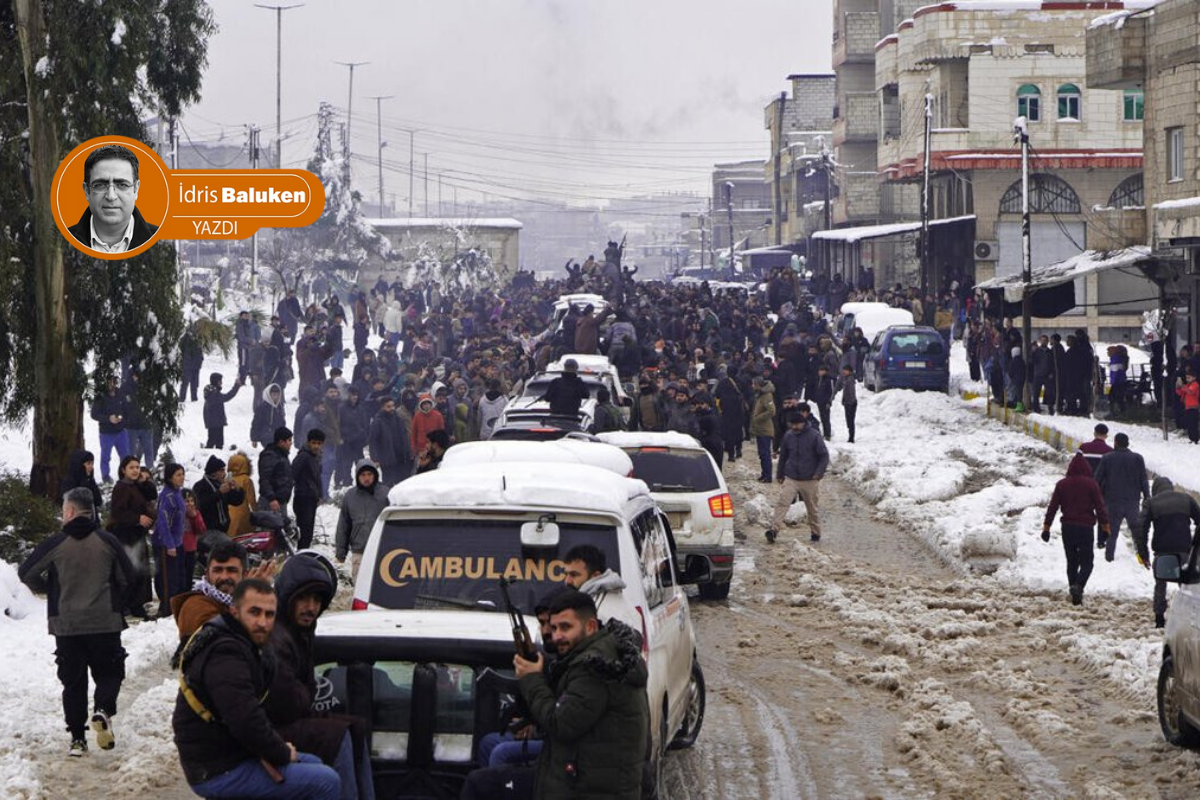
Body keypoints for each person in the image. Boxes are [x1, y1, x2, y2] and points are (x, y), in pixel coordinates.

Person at [172, 578, 340, 799]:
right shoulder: (226, 654)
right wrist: (280, 751)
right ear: (234, 612)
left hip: (229, 754)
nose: (262, 622)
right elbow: (245, 719)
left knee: (314, 763)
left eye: (269, 615)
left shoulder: (245, 645)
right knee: (326, 781)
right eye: (254, 612)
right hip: (215, 768)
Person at [19, 487, 136, 756]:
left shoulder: (55, 543)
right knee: (110, 673)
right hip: (104, 622)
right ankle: (103, 711)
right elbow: (128, 578)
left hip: (67, 624)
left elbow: (27, 573)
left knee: (73, 682)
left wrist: (53, 590)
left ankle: (77, 739)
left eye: (63, 511)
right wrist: (115, 600)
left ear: (70, 511)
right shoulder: (108, 541)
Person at [512, 590, 649, 800]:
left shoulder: (594, 668)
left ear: (591, 626)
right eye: (554, 627)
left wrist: (532, 679)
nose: (557, 636)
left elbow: (560, 723)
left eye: (566, 627)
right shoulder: (607, 655)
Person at [266, 554, 374, 800]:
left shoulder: (301, 631)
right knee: (338, 737)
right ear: (288, 598)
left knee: (354, 728)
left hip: (289, 720)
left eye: (316, 600)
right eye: (303, 598)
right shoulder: (278, 636)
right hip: (271, 729)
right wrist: (307, 693)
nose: (311, 607)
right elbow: (288, 702)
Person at [1042, 453, 1110, 606]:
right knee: (1087, 562)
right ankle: (1078, 586)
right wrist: (1105, 527)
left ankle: (1074, 590)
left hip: (1067, 528)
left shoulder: (1062, 484)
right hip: (1085, 528)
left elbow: (1053, 507)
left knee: (1071, 561)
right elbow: (1100, 508)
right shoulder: (1092, 484)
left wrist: (1046, 527)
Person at [66, 143, 158, 253]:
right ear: (87, 191)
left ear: (136, 189)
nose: (111, 196)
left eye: (122, 185)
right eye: (100, 185)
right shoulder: (62, 242)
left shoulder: (160, 242)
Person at [1135, 477, 1200, 627]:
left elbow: (1141, 529)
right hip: (1184, 550)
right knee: (1187, 584)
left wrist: (1143, 554)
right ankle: (1191, 617)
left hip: (1162, 551)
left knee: (1160, 584)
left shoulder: (1152, 503)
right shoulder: (1186, 499)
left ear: (1156, 489)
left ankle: (1159, 619)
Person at [766, 407, 829, 544]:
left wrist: (818, 473)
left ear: (803, 423)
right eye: (792, 424)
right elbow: (784, 456)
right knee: (783, 503)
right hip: (791, 477)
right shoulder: (789, 436)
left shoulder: (814, 436)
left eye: (796, 424)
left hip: (810, 478)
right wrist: (780, 473)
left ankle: (815, 533)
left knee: (812, 508)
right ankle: (773, 530)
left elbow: (824, 456)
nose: (794, 427)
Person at [107, 455, 154, 620]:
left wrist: (144, 481)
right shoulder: (121, 487)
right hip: (125, 536)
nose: (135, 470)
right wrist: (137, 519)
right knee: (128, 572)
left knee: (140, 571)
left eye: (137, 467)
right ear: (123, 470)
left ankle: (137, 605)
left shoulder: (136, 486)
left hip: (137, 535)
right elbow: (118, 513)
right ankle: (124, 606)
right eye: (131, 468)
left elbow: (151, 494)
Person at [1092, 433, 1150, 563]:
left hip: (1112, 501)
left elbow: (1097, 479)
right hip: (1132, 502)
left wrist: (1096, 497)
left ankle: (1109, 559)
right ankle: (1143, 558)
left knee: (1112, 533)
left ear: (1116, 443)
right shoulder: (1137, 458)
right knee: (1136, 533)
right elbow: (1143, 480)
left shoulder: (1107, 458)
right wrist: (1147, 497)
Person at [335, 460, 390, 582]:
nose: (367, 478)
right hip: (359, 552)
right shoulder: (350, 496)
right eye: (363, 475)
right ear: (357, 477)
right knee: (360, 588)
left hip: (383, 552)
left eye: (370, 474)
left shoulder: (386, 494)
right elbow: (343, 525)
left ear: (375, 475)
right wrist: (341, 552)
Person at [153, 464, 189, 618]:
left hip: (178, 541)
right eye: (177, 475)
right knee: (167, 578)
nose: (181, 478)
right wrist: (169, 544)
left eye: (182, 474)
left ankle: (175, 606)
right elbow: (163, 522)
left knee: (178, 576)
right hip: (166, 543)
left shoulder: (178, 493)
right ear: (169, 478)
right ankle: (166, 608)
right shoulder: (167, 497)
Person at [561, 544, 625, 615]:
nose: (567, 581)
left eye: (574, 575)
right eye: (566, 574)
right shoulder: (601, 602)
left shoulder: (601, 612)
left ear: (596, 576)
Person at [192, 455, 246, 536]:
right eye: (221, 471)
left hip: (223, 530)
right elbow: (200, 505)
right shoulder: (200, 486)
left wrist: (237, 489)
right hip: (207, 531)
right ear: (213, 472)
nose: (224, 474)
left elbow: (236, 502)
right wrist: (219, 493)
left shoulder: (222, 485)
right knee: (234, 547)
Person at [368, 396, 414, 489]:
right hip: (387, 458)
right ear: (382, 407)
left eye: (393, 406)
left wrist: (408, 451)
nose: (392, 408)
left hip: (401, 457)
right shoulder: (378, 421)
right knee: (388, 484)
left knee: (402, 483)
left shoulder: (398, 419)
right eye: (388, 406)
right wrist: (375, 458)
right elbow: (373, 441)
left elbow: (405, 436)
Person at [291, 429, 325, 550]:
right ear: (308, 442)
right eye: (314, 443)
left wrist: (320, 495)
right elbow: (292, 474)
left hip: (311, 499)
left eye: (319, 443)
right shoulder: (303, 456)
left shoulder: (316, 457)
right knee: (305, 534)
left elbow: (317, 478)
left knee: (308, 534)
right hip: (302, 498)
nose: (316, 446)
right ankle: (301, 558)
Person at [91, 376, 129, 483]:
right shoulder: (100, 396)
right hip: (106, 433)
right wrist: (108, 419)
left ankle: (125, 475)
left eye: (113, 382)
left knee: (125, 455)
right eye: (109, 382)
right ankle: (105, 476)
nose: (111, 384)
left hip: (121, 432)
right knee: (105, 456)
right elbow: (94, 414)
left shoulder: (121, 394)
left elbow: (127, 411)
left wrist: (122, 420)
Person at [258, 426, 295, 514]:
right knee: (269, 526)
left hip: (280, 501)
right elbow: (265, 479)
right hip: (271, 503)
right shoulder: (270, 456)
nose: (291, 443)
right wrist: (271, 498)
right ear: (281, 442)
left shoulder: (282, 455)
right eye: (289, 440)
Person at [203, 372, 245, 449]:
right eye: (220, 381)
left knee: (212, 438)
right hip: (216, 421)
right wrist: (236, 386)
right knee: (216, 441)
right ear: (216, 381)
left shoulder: (211, 392)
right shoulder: (214, 394)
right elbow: (227, 397)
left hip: (213, 421)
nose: (221, 382)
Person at [59, 449, 102, 514]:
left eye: (92, 463)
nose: (91, 467)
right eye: (88, 464)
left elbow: (98, 501)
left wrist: (90, 482)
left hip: (91, 519)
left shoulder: (90, 480)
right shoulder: (69, 482)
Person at [749, 377, 776, 482]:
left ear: (758, 385)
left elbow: (771, 411)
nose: (752, 386)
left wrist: (758, 418)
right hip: (760, 430)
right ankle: (764, 473)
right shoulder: (760, 395)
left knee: (765, 454)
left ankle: (767, 476)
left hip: (765, 430)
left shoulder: (767, 396)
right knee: (762, 454)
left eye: (753, 384)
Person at [226, 453, 258, 538]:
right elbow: (251, 500)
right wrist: (257, 512)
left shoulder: (227, 479)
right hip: (243, 514)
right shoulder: (246, 480)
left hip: (228, 514)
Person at [250, 384, 287, 449]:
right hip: (265, 435)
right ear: (269, 395)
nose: (276, 397)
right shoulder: (263, 407)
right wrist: (254, 438)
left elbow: (282, 421)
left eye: (277, 395)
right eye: (273, 395)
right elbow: (256, 422)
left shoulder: (279, 407)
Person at [833, 364, 858, 444]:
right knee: (849, 420)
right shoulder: (846, 378)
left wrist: (850, 402)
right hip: (847, 402)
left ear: (849, 371)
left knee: (850, 420)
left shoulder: (850, 380)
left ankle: (851, 437)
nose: (844, 372)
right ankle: (850, 436)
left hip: (851, 403)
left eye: (845, 370)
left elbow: (851, 392)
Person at [1178, 370, 1200, 444]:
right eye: (1187, 378)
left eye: (1189, 377)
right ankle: (1191, 438)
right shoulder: (1187, 385)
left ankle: (1195, 439)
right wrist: (1178, 386)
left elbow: (1191, 392)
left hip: (1194, 407)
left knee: (1193, 424)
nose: (1187, 379)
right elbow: (1180, 393)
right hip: (1187, 407)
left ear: (1194, 378)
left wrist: (1183, 386)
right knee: (1189, 424)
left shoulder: (1195, 384)